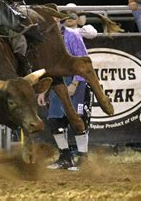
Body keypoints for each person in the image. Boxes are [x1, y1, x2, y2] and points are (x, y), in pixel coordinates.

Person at [44, 15, 90, 171]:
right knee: (55, 120)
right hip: (57, 81)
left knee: (77, 118)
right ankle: (65, 157)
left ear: (58, 21)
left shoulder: (73, 36)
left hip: (75, 80)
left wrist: (75, 83)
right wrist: (44, 90)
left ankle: (83, 159)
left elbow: (83, 60)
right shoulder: (46, 39)